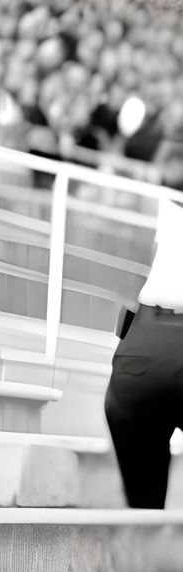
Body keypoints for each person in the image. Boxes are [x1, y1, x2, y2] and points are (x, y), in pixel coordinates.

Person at [105, 196, 183, 508]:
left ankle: (146, 536)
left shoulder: (170, 209)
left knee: (145, 507)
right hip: (154, 344)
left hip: (144, 341)